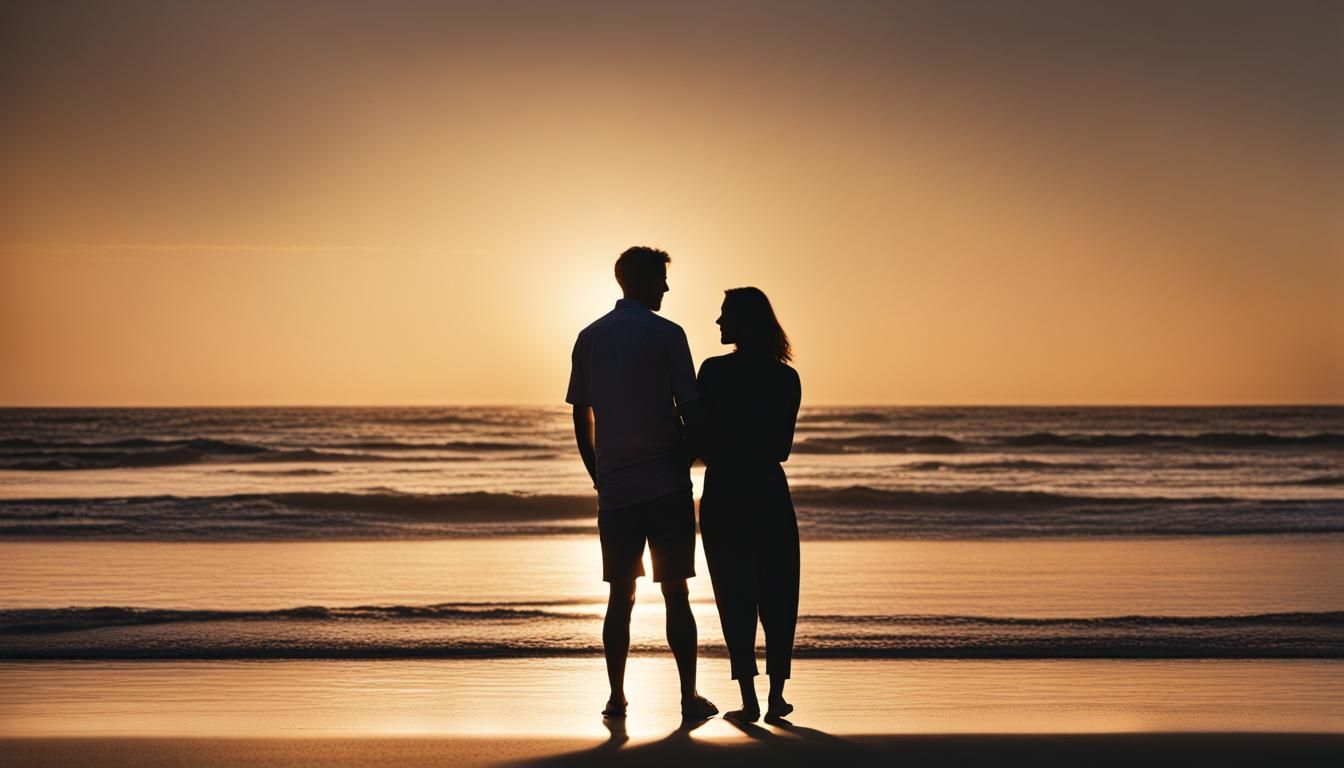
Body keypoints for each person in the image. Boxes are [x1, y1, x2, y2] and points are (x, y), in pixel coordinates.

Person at [566, 246, 718, 722]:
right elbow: (690, 407)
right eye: (662, 280)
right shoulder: (668, 334)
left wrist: (597, 473)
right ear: (646, 281)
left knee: (620, 596)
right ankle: (688, 696)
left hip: (617, 489)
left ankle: (616, 697)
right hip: (666, 486)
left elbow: (582, 415)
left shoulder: (590, 336)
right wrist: (694, 454)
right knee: (676, 592)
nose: (666, 288)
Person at [696, 287, 801, 723]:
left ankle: (750, 700)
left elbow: (699, 438)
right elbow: (781, 448)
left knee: (733, 593)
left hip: (725, 489)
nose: (718, 322)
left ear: (744, 321)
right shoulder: (786, 378)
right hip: (768, 489)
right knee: (779, 591)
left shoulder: (713, 371)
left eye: (725, 314)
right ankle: (776, 697)